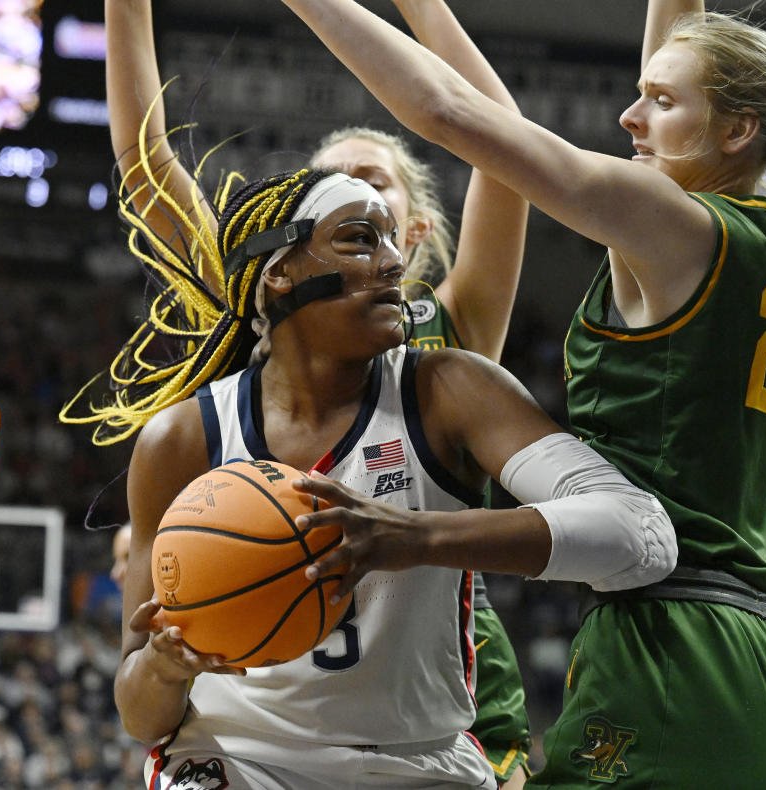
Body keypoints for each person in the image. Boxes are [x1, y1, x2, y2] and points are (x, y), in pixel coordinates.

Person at [270, 0, 766, 785]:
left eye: (660, 101)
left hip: (673, 644)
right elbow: (681, 33)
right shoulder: (737, 241)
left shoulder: (675, 226)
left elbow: (444, 111)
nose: (629, 116)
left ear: (737, 130)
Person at [64, 167, 677, 788]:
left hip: (420, 759)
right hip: (238, 758)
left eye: (391, 240)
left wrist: (416, 537)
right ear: (277, 271)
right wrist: (166, 669)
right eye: (359, 238)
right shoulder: (185, 438)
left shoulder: (448, 390)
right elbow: (141, 717)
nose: (392, 263)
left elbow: (645, 536)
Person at [97, 0, 532, 783]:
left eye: (371, 184)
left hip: (432, 690)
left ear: (417, 231)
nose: (348, 196)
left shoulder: (450, 334)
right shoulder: (259, 312)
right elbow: (146, 167)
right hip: (267, 715)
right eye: (328, 189)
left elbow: (501, 140)